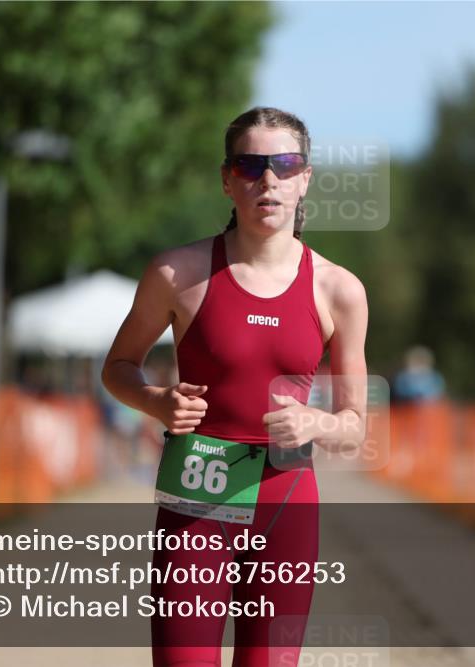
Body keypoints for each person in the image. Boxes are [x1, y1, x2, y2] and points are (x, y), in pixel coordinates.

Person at [102, 106, 369, 667]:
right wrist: (155, 401)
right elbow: (118, 366)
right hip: (196, 497)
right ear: (227, 180)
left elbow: (354, 427)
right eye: (250, 166)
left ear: (305, 179)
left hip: (285, 502)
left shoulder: (339, 290)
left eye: (284, 164)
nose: (268, 179)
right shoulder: (177, 273)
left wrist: (315, 421)